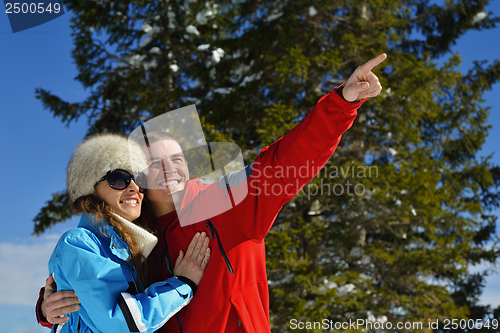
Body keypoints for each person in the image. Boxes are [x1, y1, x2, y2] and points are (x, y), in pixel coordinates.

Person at [38, 54, 387, 332]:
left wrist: (342, 101)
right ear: (137, 176)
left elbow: (285, 161)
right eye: (156, 163)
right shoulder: (131, 239)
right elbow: (94, 286)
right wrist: (47, 306)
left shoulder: (225, 202)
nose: (172, 168)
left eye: (177, 158)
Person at [39, 134, 210, 333]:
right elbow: (121, 323)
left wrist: (43, 309)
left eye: (139, 180)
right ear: (91, 188)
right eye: (119, 179)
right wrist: (182, 284)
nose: (134, 188)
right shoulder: (79, 243)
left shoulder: (132, 246)